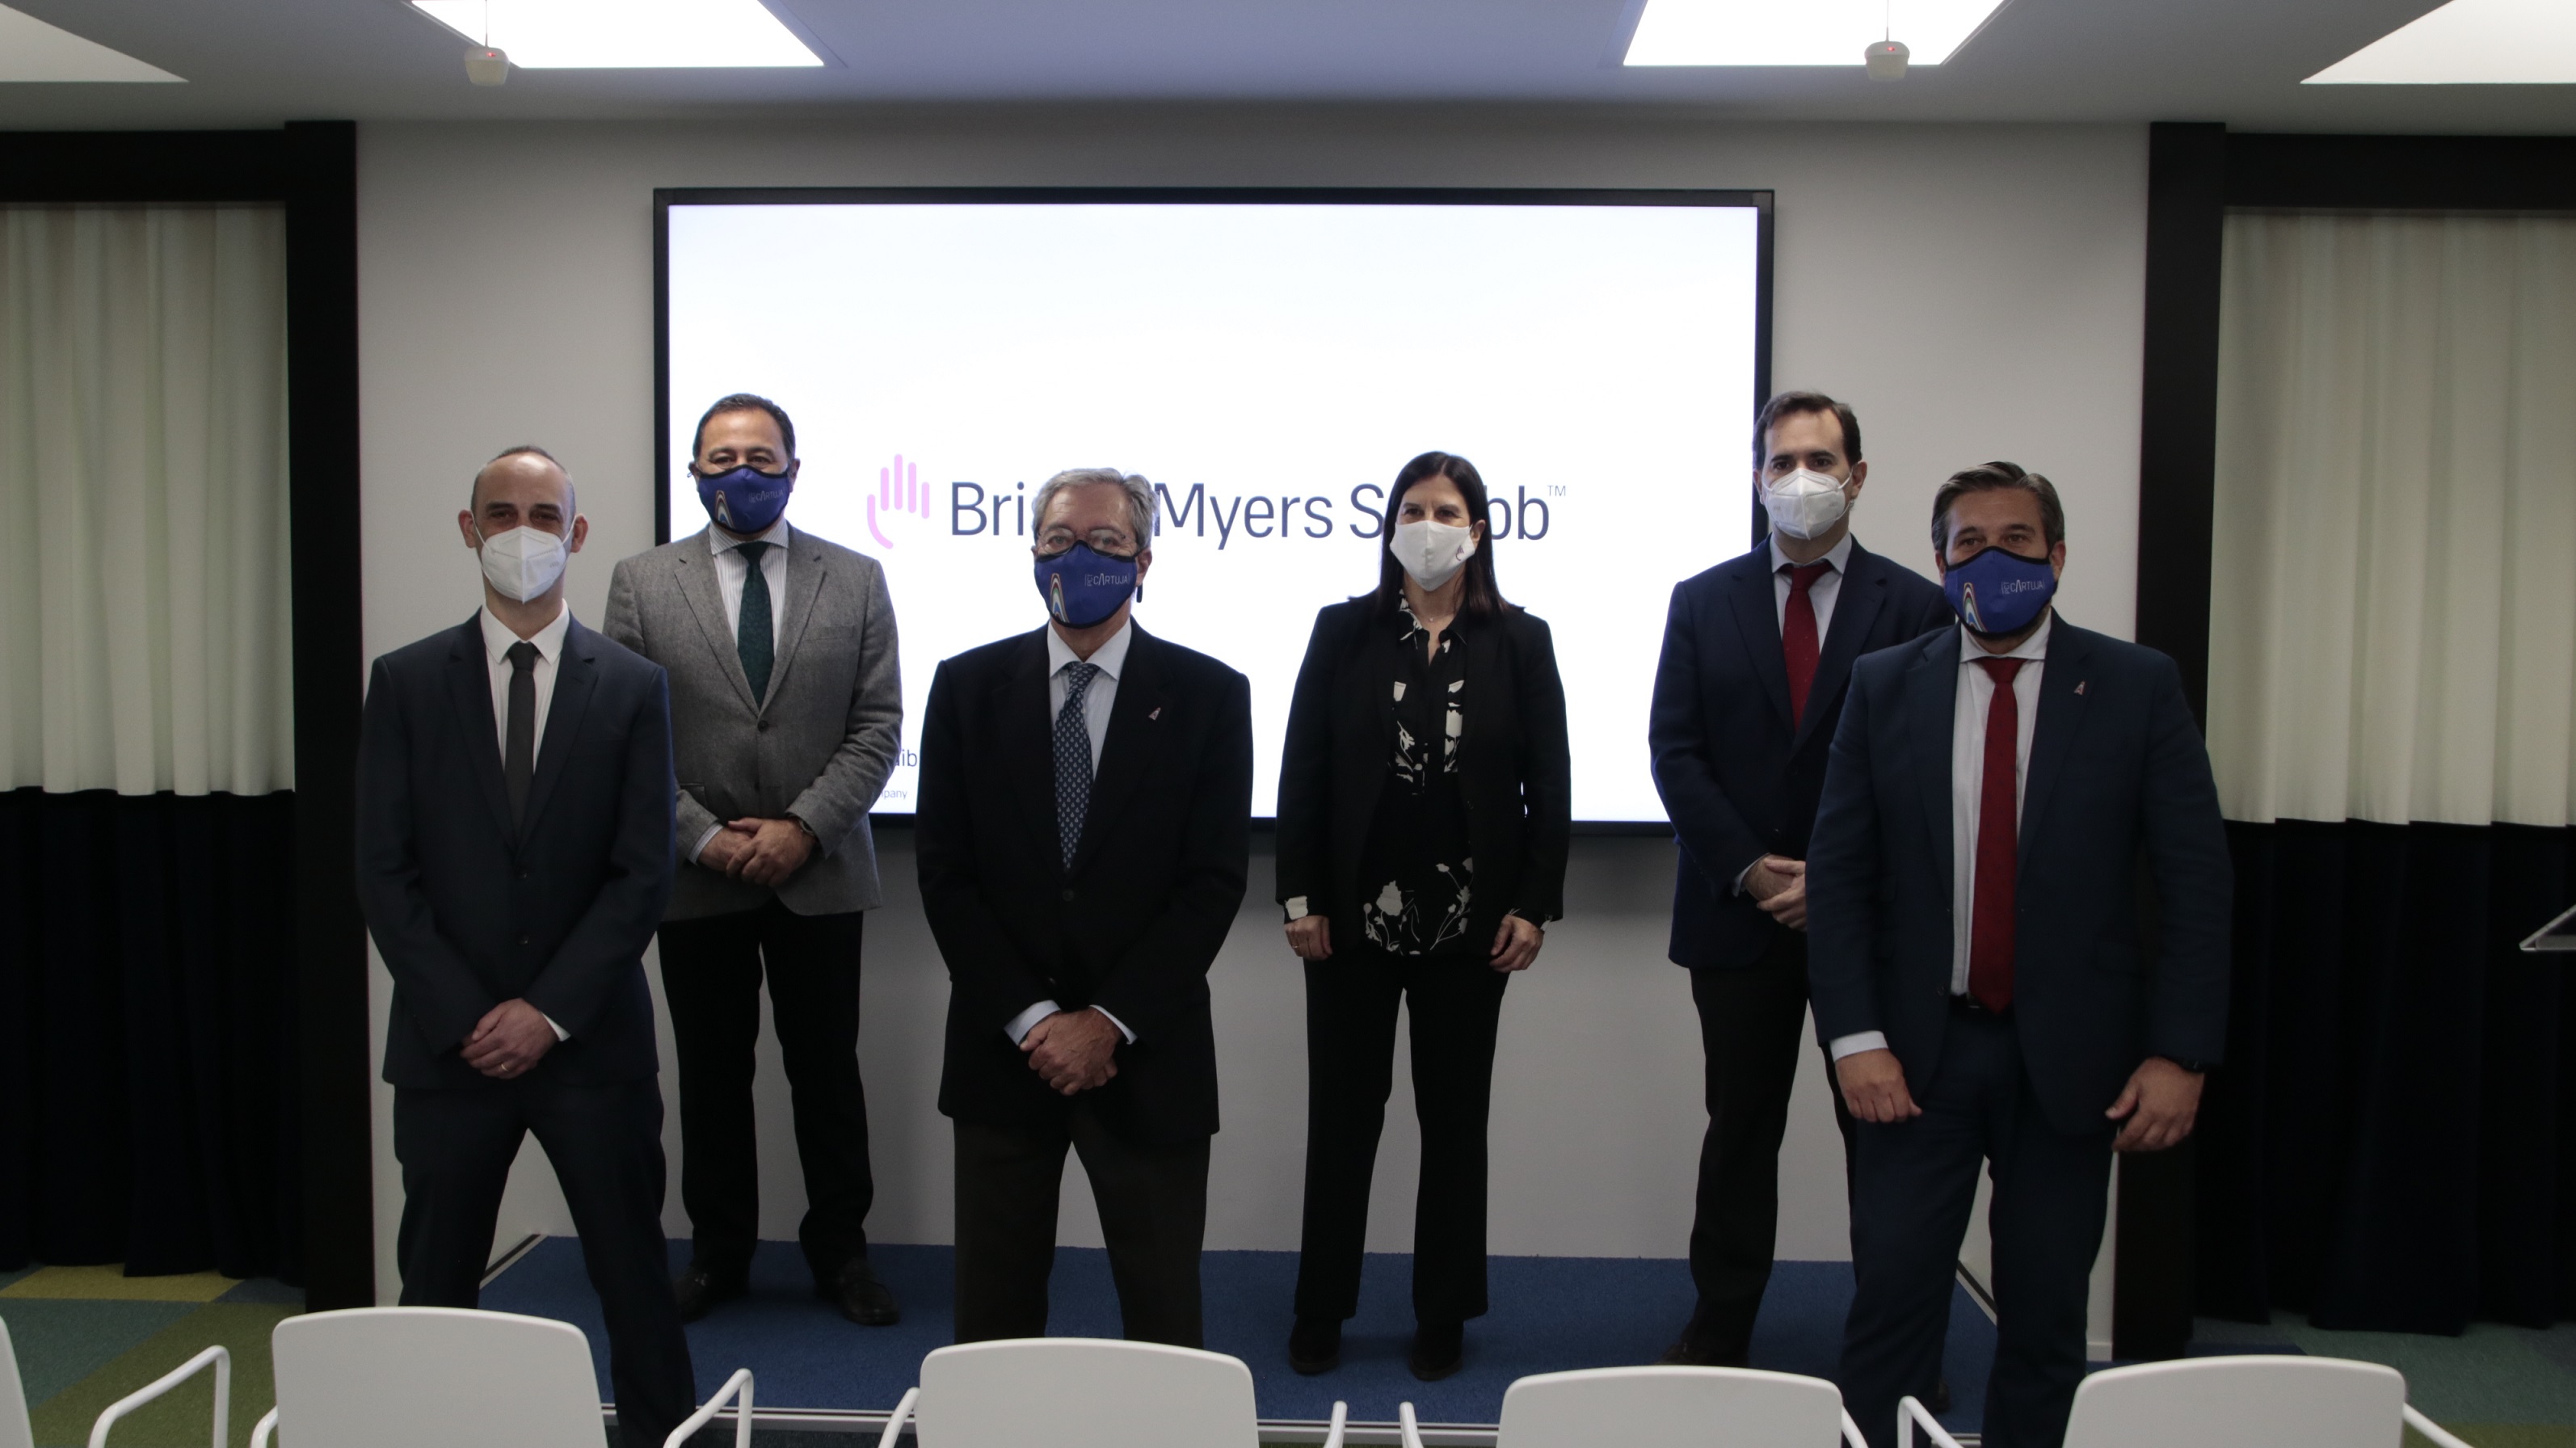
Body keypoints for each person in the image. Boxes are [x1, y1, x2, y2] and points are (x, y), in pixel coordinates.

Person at [1806, 462, 2231, 1448]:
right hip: (1915, 1059)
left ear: (2057, 555)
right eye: (1968, 542)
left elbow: (2195, 884)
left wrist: (2180, 1052)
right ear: (1939, 562)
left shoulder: (2135, 685)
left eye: (2016, 540)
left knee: (2044, 1319)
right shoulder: (1883, 684)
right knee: (1890, 1309)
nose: (1991, 559)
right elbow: (1839, 876)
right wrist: (1853, 1040)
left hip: (2073, 1063)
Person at [356, 446, 700, 1448]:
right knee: (435, 1289)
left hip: (590, 1049)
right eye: (501, 513)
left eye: (544, 515)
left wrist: (546, 1013)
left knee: (634, 1282)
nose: (523, 533)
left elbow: (642, 873)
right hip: (448, 1050)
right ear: (469, 531)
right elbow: (383, 871)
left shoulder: (633, 686)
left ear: (576, 534)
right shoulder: (405, 682)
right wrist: (470, 1015)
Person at [915, 466, 1252, 1347]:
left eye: (1104, 542)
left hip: (1145, 1054)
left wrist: (1105, 1022)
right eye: (1059, 540)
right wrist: (1036, 1022)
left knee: (1163, 1319)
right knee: (992, 1323)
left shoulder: (1210, 695)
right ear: (1033, 554)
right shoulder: (965, 687)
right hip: (1004, 1054)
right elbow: (945, 876)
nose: (1078, 558)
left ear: (1143, 561)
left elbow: (1211, 883)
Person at [1647, 392, 1951, 1368]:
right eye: (1781, 461)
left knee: (1885, 1136)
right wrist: (1747, 867)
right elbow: (1674, 750)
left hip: (1868, 923)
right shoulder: (1702, 599)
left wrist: (1837, 879)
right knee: (1739, 1129)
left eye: (1819, 460)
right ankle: (1720, 1324)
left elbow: (1925, 770)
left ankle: (1898, 1341)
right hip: (1736, 918)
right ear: (1755, 477)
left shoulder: (1915, 605)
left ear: (1856, 477)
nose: (1799, 478)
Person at [602, 394, 905, 1327]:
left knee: (827, 1075)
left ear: (793, 470)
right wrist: (702, 834)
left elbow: (878, 726)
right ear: (694, 471)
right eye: (723, 456)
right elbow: (624, 736)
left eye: (762, 456)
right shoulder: (640, 583)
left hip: (821, 871)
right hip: (697, 876)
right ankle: (718, 1254)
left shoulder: (855, 578)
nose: (743, 471)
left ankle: (841, 1255)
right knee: (710, 1077)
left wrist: (802, 828)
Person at [1275, 451, 1572, 1383]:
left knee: (1453, 1125)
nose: (1427, 525)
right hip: (1349, 924)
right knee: (1342, 1119)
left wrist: (1533, 904)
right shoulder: (1343, 631)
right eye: (1411, 509)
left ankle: (1441, 1312)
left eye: (1445, 511)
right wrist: (1298, 897)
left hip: (1469, 928)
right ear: (1390, 525)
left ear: (1476, 531)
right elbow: (1302, 771)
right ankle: (1320, 1307)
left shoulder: (1519, 641)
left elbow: (1548, 786)